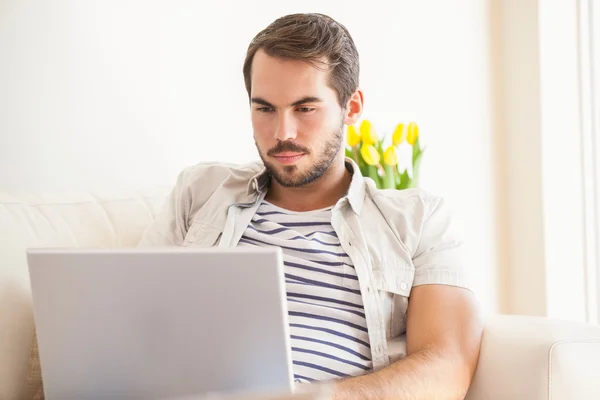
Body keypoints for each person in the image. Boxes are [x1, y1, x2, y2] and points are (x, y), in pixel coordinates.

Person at [140, 12, 483, 399]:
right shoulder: (199, 192)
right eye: (265, 109)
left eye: (305, 108)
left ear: (351, 108)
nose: (282, 133)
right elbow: (136, 323)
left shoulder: (419, 220)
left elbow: (447, 364)